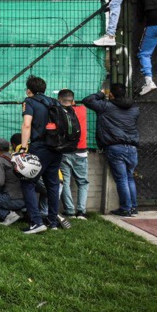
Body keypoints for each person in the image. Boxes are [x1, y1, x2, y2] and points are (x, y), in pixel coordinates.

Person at [83, 84, 140, 217]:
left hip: (115, 147)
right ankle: (133, 208)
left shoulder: (105, 106)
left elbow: (87, 100)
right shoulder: (135, 109)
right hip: (132, 148)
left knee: (121, 179)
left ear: (112, 94)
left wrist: (101, 94)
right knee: (130, 178)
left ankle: (125, 208)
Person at [19, 76, 63, 233]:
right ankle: (53, 222)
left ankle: (36, 222)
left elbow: (26, 124)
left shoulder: (30, 101)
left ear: (29, 90)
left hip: (40, 147)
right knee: (52, 184)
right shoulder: (54, 102)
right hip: (57, 148)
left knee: (28, 182)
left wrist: (23, 148)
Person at [57, 89, 90, 219]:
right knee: (82, 182)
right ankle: (81, 211)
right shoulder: (82, 110)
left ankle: (69, 210)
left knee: (65, 181)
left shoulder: (59, 113)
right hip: (81, 151)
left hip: (65, 151)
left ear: (60, 100)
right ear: (73, 101)